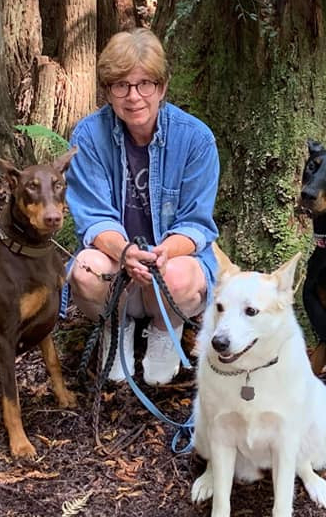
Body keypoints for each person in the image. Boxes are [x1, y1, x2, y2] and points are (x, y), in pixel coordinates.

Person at [65, 27, 220, 386]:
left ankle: (165, 331)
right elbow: (93, 216)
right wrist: (125, 252)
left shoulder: (196, 139)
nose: (134, 97)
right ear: (108, 92)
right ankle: (115, 329)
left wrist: (163, 253)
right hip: (116, 275)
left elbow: (195, 224)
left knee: (180, 275)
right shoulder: (88, 137)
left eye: (145, 84)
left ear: (162, 87)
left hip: (167, 278)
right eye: (121, 85)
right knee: (85, 269)